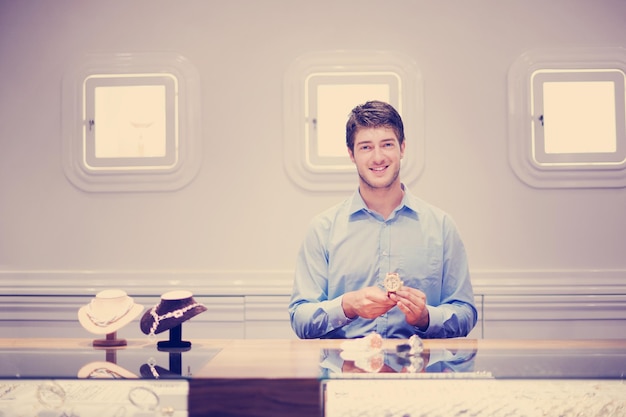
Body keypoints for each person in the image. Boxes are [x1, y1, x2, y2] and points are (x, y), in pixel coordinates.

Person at [289, 100, 477, 339]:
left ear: (402, 148)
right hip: (344, 371)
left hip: (420, 370)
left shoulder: (441, 227)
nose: (378, 157)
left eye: (387, 144)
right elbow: (300, 317)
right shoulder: (322, 229)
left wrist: (426, 317)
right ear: (351, 154)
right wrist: (347, 306)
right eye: (366, 147)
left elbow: (465, 313)